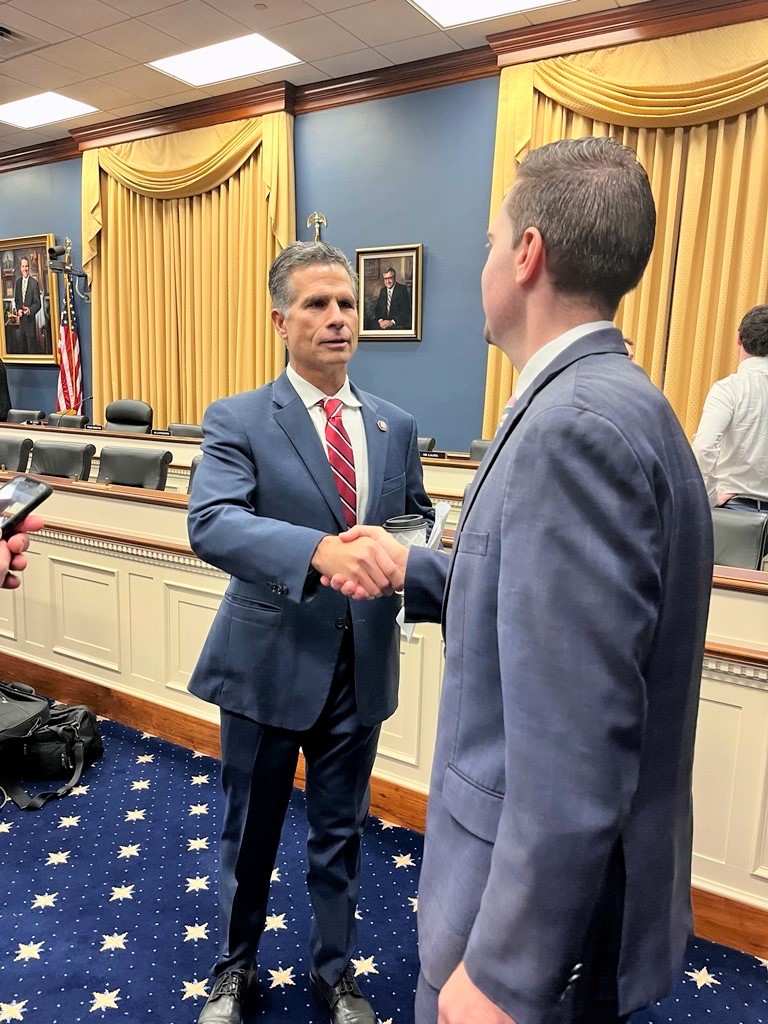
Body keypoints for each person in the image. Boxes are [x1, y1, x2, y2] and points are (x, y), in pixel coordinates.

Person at [325, 137, 713, 1024]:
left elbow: (578, 740)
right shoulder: (620, 402)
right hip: (565, 902)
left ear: (528, 254)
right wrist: (417, 572)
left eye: (495, 238)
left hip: (519, 922)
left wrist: (505, 970)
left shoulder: (571, 430)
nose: (487, 260)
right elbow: (552, 606)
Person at [187, 240, 433, 1024]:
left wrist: (404, 552)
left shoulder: (395, 424)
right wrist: (321, 551)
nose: (337, 319)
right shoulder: (239, 418)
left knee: (341, 833)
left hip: (360, 666)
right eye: (317, 305)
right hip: (267, 664)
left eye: (347, 304)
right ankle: (234, 969)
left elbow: (416, 517)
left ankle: (334, 973)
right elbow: (214, 522)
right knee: (249, 833)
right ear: (280, 320)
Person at [691, 304, 768, 507]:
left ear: (738, 340)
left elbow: (704, 447)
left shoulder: (729, 389)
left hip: (735, 509)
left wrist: (708, 500)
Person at [13, 257, 42, 354]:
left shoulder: (34, 283)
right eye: (23, 266)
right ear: (20, 268)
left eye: (26, 266)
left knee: (32, 353)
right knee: (22, 353)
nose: (25, 269)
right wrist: (18, 310)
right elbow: (16, 300)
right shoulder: (17, 283)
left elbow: (38, 304)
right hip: (21, 327)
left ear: (29, 267)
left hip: (30, 325)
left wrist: (29, 310)